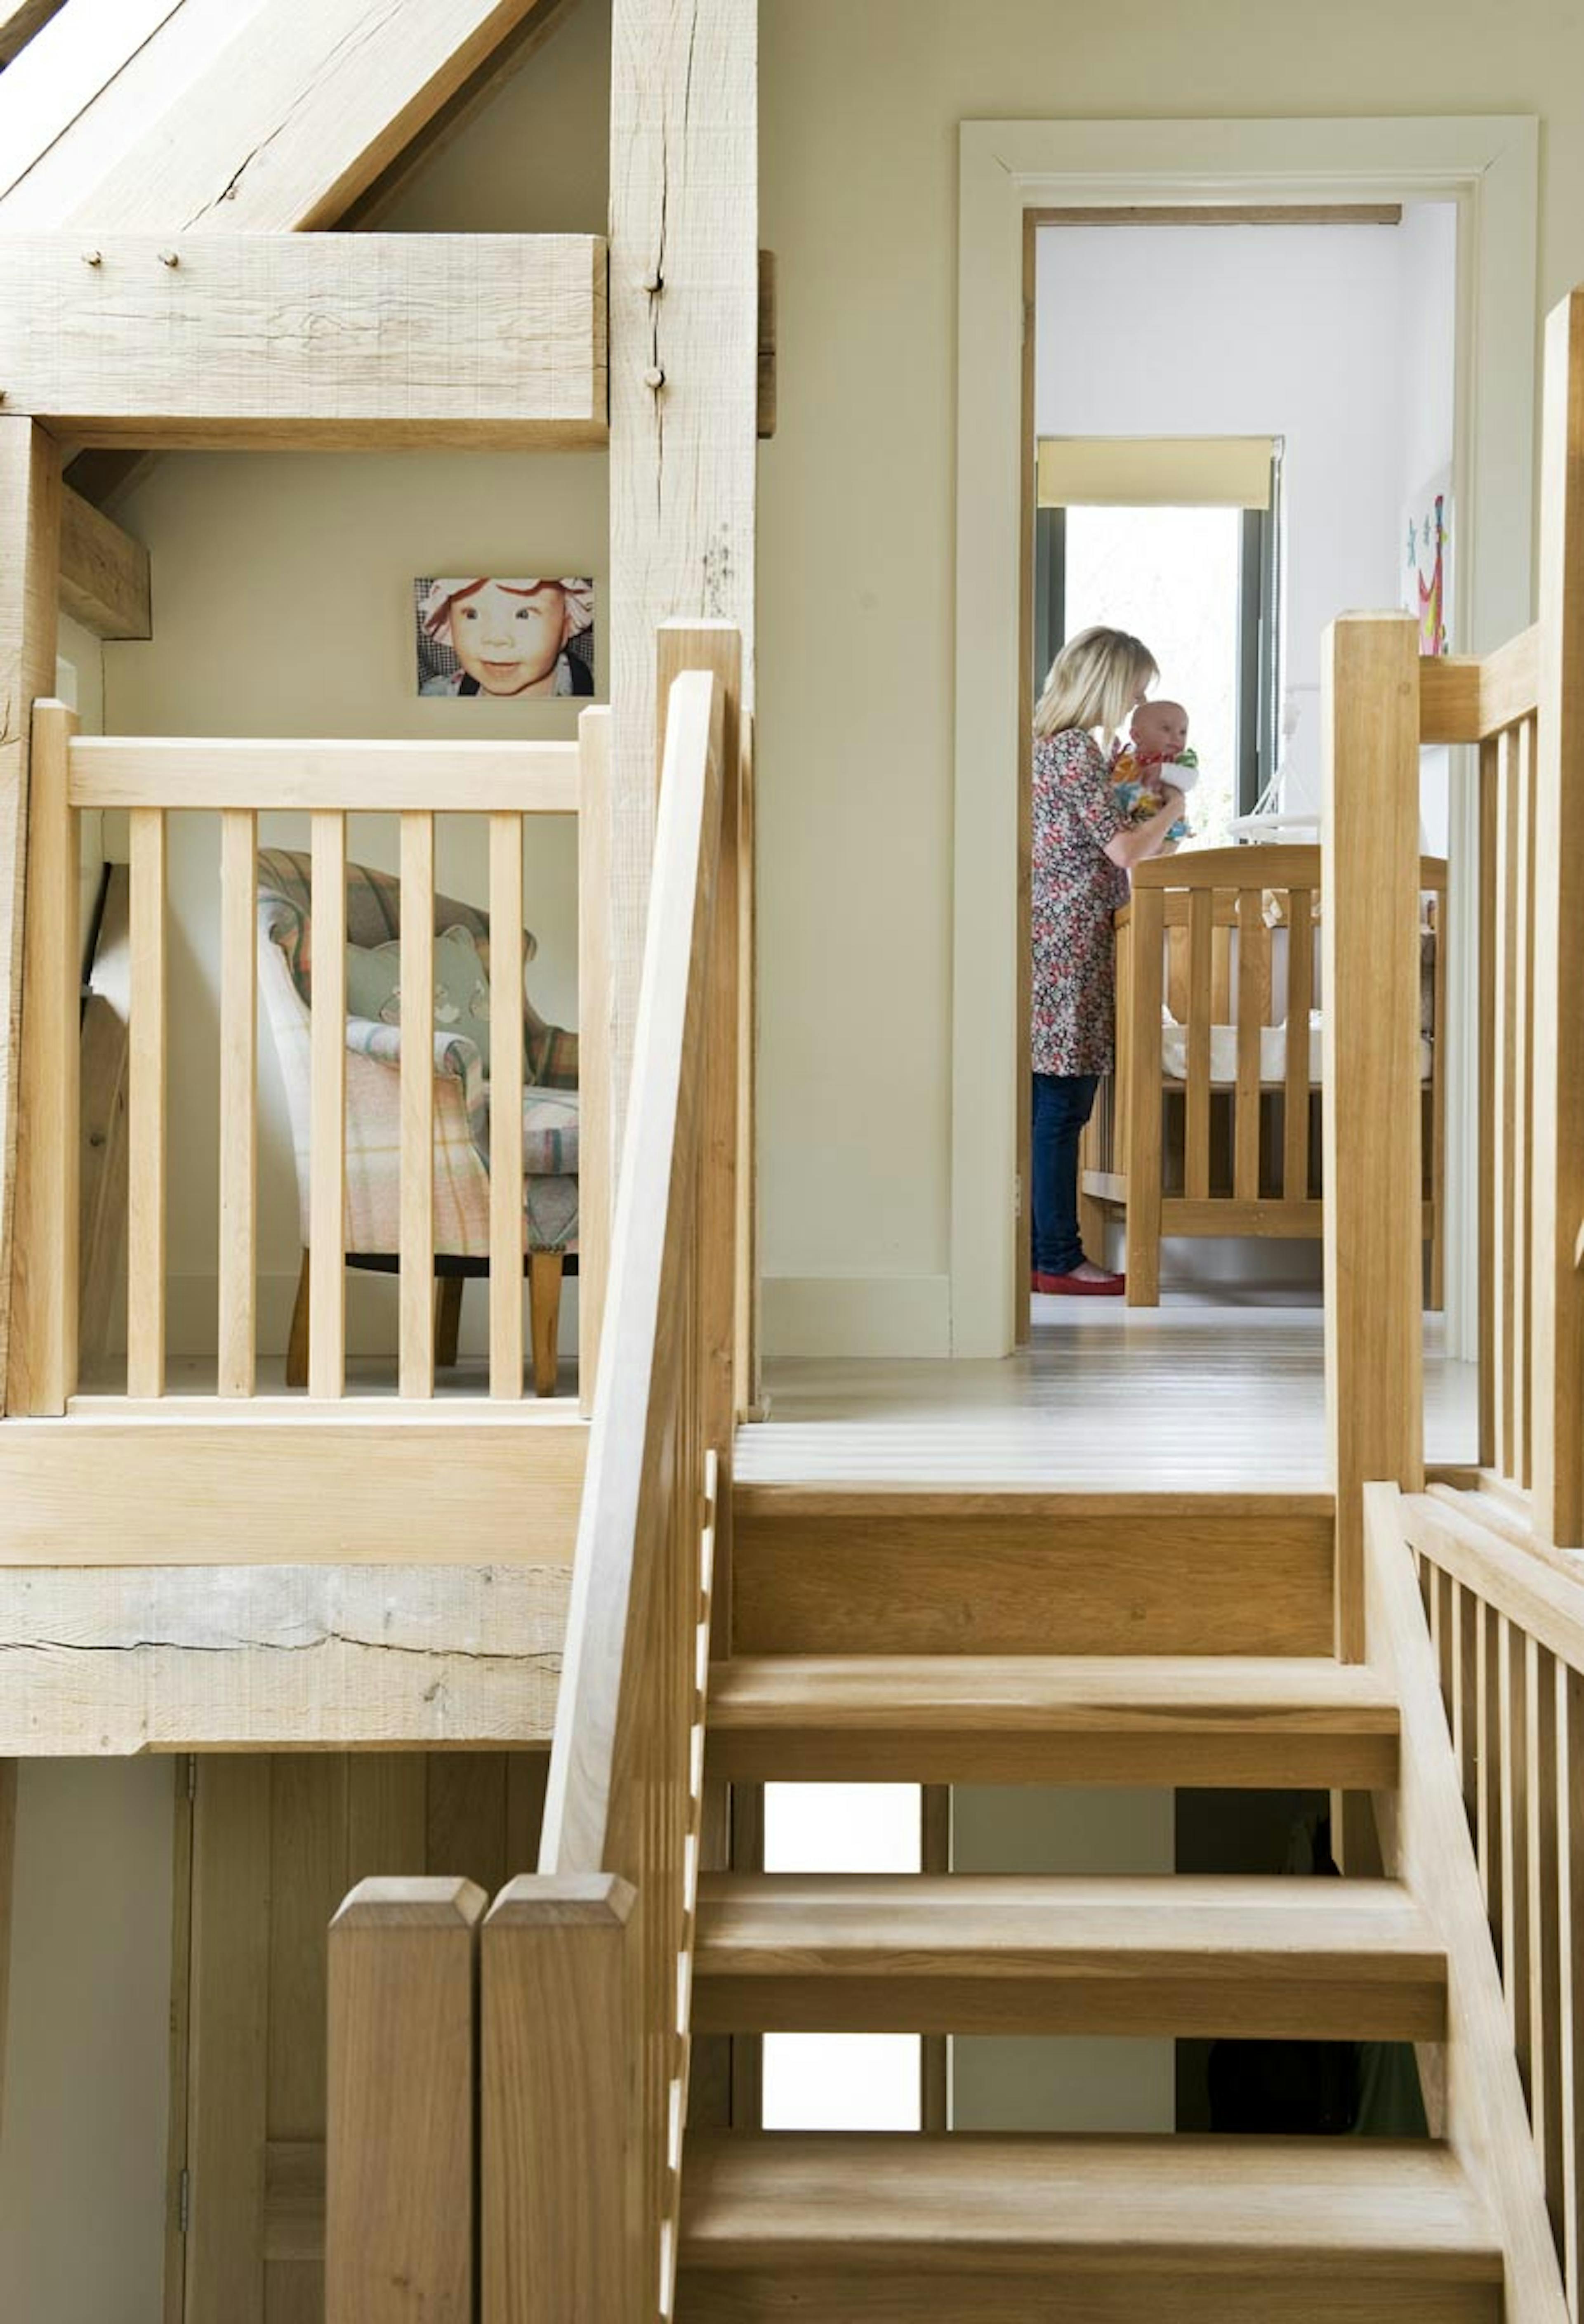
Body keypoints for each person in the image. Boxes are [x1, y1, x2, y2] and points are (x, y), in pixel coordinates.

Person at [1031, 626, 1184, 1295]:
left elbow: (1137, 847)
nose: (1135, 703)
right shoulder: (1071, 752)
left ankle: (1052, 1250)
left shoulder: (1061, 752)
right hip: (1068, 944)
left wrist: (1145, 793)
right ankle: (1059, 1255)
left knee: (1059, 1103)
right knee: (1064, 1105)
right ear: (1105, 680)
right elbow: (1125, 852)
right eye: (1134, 689)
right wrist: (1175, 804)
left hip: (1067, 940)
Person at [418, 577, 595, 698]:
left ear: (565, 627)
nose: (496, 639)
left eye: (523, 615)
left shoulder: (603, 693)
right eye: (472, 614)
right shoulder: (440, 697)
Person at [1110, 697, 1197, 845]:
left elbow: (1190, 781)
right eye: (1166, 729)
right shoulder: (1126, 757)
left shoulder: (1178, 759)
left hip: (1163, 829)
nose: (1177, 737)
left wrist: (1163, 771)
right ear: (1137, 736)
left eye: (1183, 732)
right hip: (1126, 828)